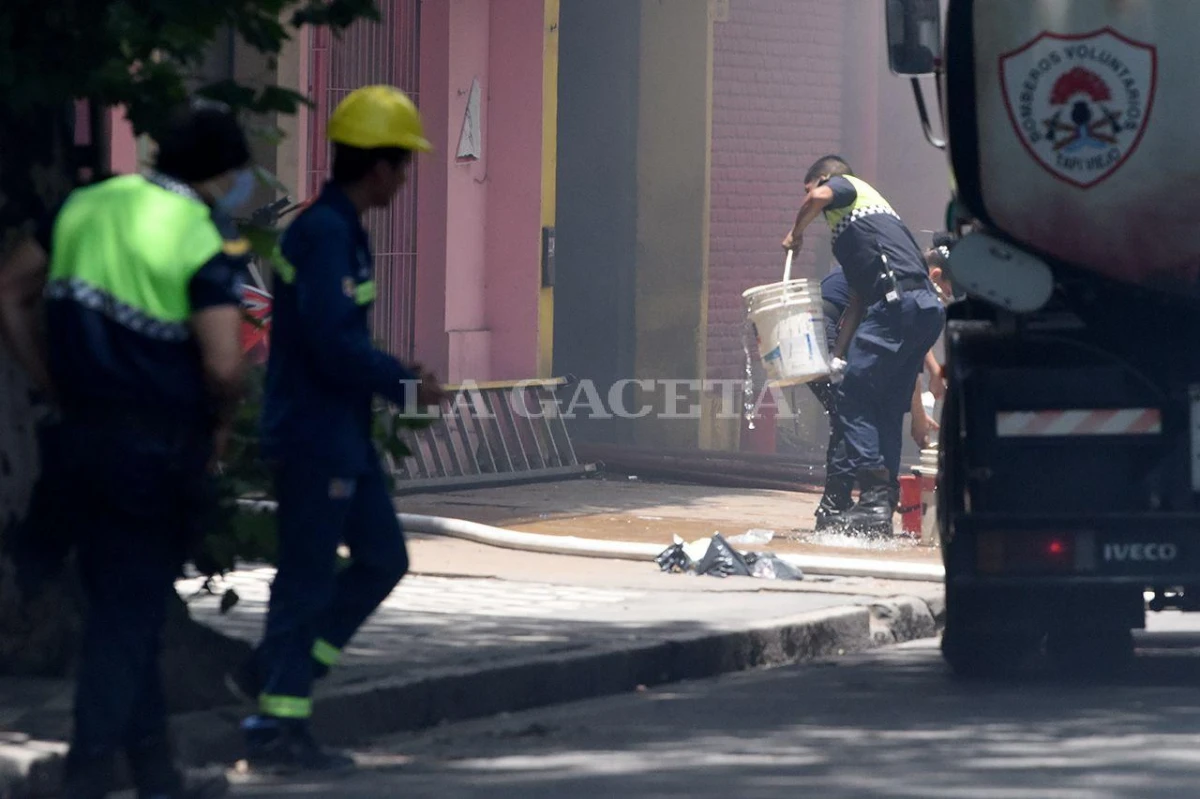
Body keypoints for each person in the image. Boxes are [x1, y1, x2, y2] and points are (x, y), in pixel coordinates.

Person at [34, 102, 252, 798]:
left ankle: (157, 769)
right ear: (223, 175)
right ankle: (89, 768)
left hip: (75, 444)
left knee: (127, 606)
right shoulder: (197, 232)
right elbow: (223, 363)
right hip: (151, 452)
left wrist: (51, 382)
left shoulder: (85, 204)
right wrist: (221, 426)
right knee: (127, 614)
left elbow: (11, 289)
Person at [232, 85, 445, 773]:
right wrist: (403, 381)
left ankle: (275, 668)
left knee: (383, 558)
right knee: (306, 577)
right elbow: (330, 342)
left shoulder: (343, 230)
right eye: (403, 164)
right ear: (378, 168)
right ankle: (276, 726)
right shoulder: (323, 233)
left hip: (340, 434)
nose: (407, 177)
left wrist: (389, 372)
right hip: (313, 434)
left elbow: (338, 336)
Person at [784, 155, 945, 537]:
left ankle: (871, 496)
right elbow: (857, 302)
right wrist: (838, 356)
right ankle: (880, 507)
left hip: (897, 305)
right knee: (886, 405)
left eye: (809, 188)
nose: (811, 200)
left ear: (824, 178)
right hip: (923, 309)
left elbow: (818, 196)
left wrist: (797, 233)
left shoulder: (847, 187)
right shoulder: (868, 229)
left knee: (852, 399)